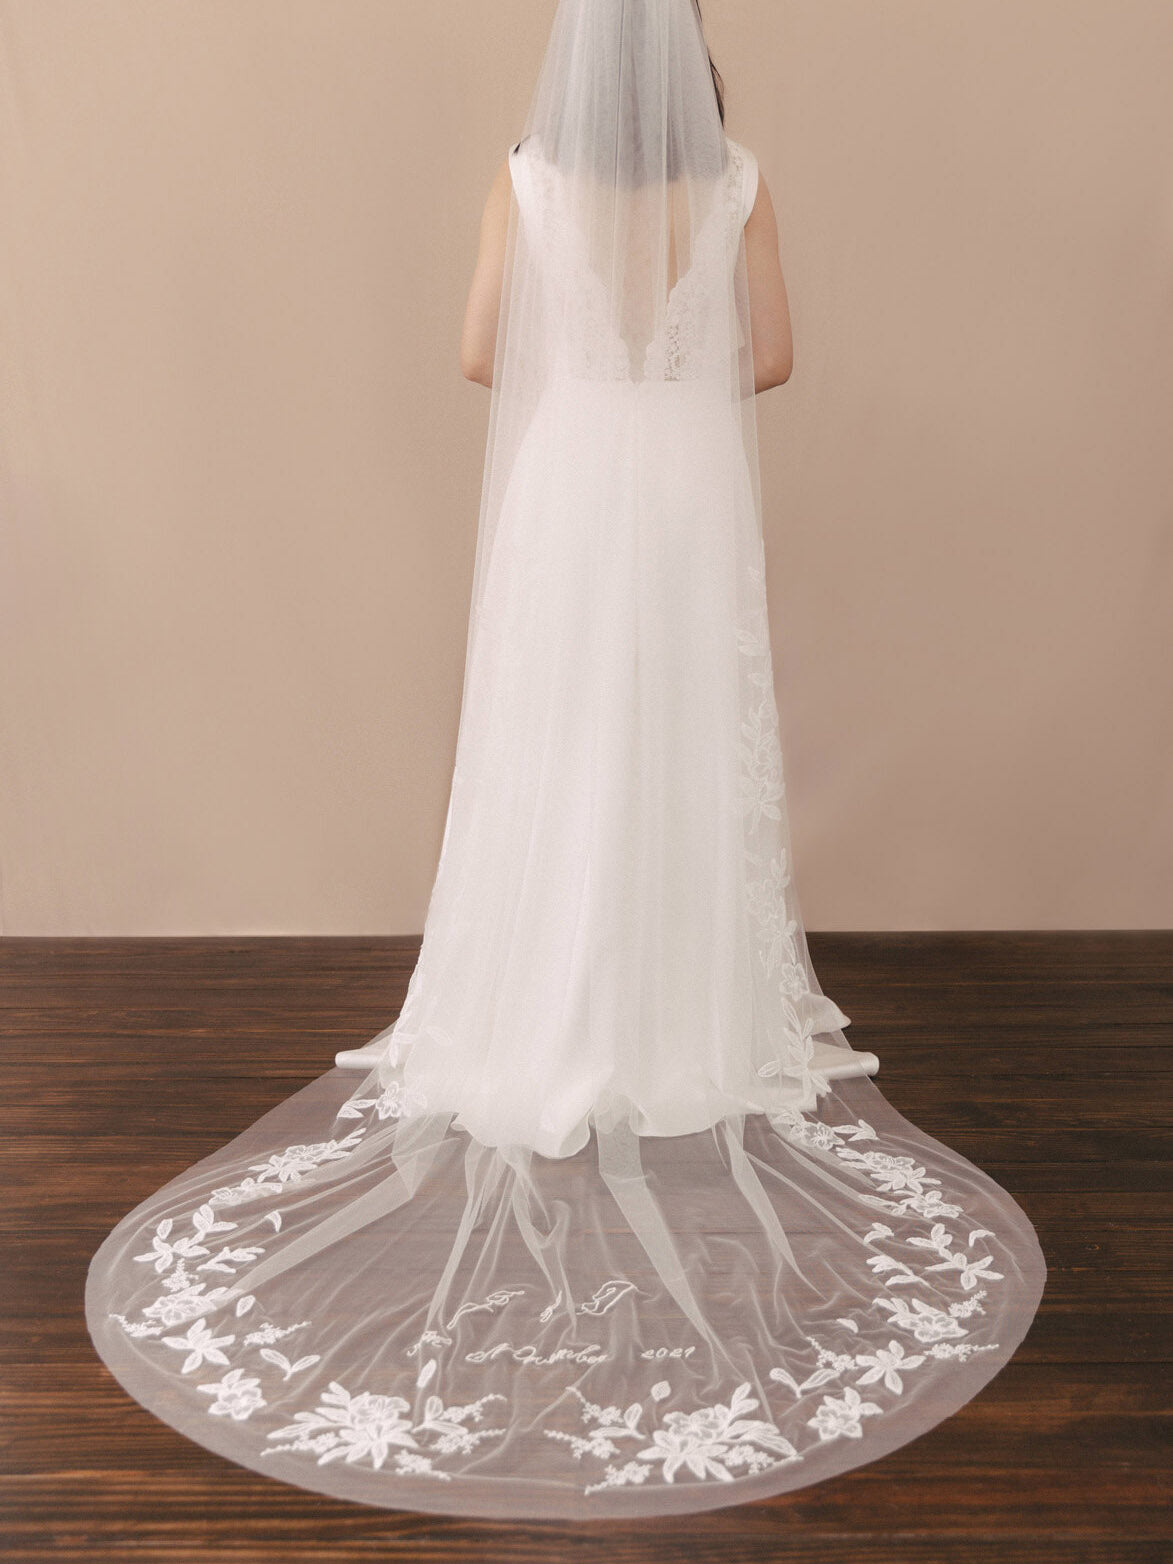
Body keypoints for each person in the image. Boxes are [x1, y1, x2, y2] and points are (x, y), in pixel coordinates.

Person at [87, 0, 1046, 1520]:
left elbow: (481, 351)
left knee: (557, 741)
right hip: (677, 494)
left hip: (568, 486)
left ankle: (544, 992)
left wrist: (582, 376)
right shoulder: (736, 181)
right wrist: (670, 389)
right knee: (670, 739)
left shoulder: (520, 181)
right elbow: (778, 357)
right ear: (686, 61)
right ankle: (677, 1002)